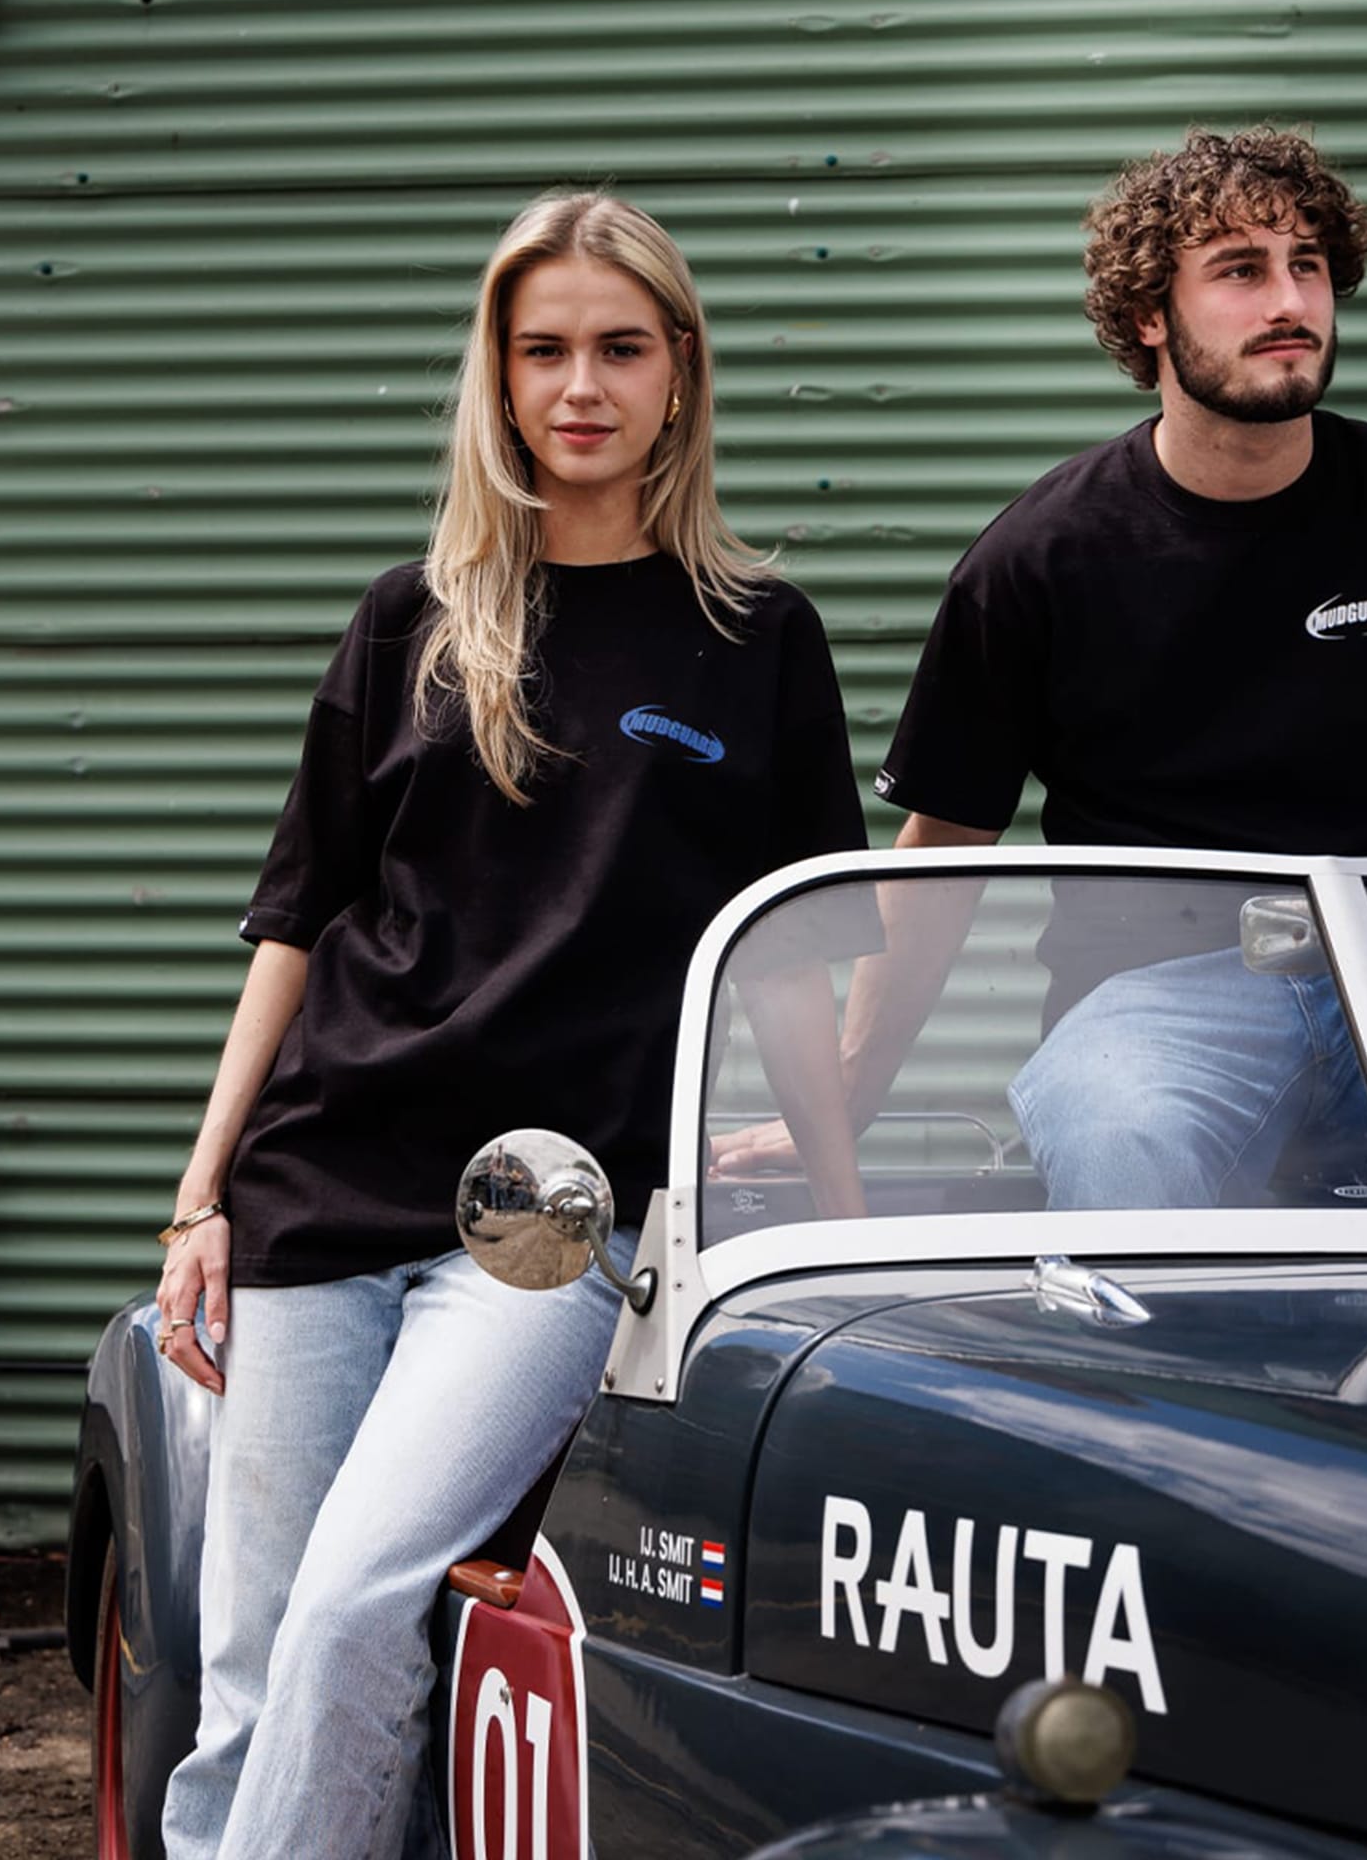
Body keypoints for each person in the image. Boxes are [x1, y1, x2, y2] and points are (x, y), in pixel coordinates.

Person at [153, 191, 867, 1860]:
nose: (579, 385)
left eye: (619, 348)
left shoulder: (758, 639)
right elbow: (298, 923)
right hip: (322, 1182)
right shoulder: (412, 618)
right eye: (541, 349)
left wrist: (836, 1203)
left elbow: (788, 964)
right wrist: (203, 1198)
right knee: (260, 1669)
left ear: (680, 374)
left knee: (349, 1613)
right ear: (497, 373)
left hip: (544, 1208)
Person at [713, 124, 1367, 1208]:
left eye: (1305, 266)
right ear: (1146, 317)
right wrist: (845, 1092)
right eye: (1238, 270)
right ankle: (1148, 1378)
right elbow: (940, 855)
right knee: (1116, 1126)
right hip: (1151, 1014)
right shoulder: (1037, 559)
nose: (1287, 301)